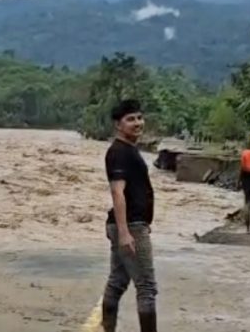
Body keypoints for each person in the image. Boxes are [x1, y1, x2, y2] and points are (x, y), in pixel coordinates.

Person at [100, 99, 158, 332]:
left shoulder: (128, 150)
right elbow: (118, 192)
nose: (137, 123)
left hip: (131, 224)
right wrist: (125, 233)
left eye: (139, 118)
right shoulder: (119, 153)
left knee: (117, 282)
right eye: (130, 119)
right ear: (118, 124)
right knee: (146, 287)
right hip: (130, 226)